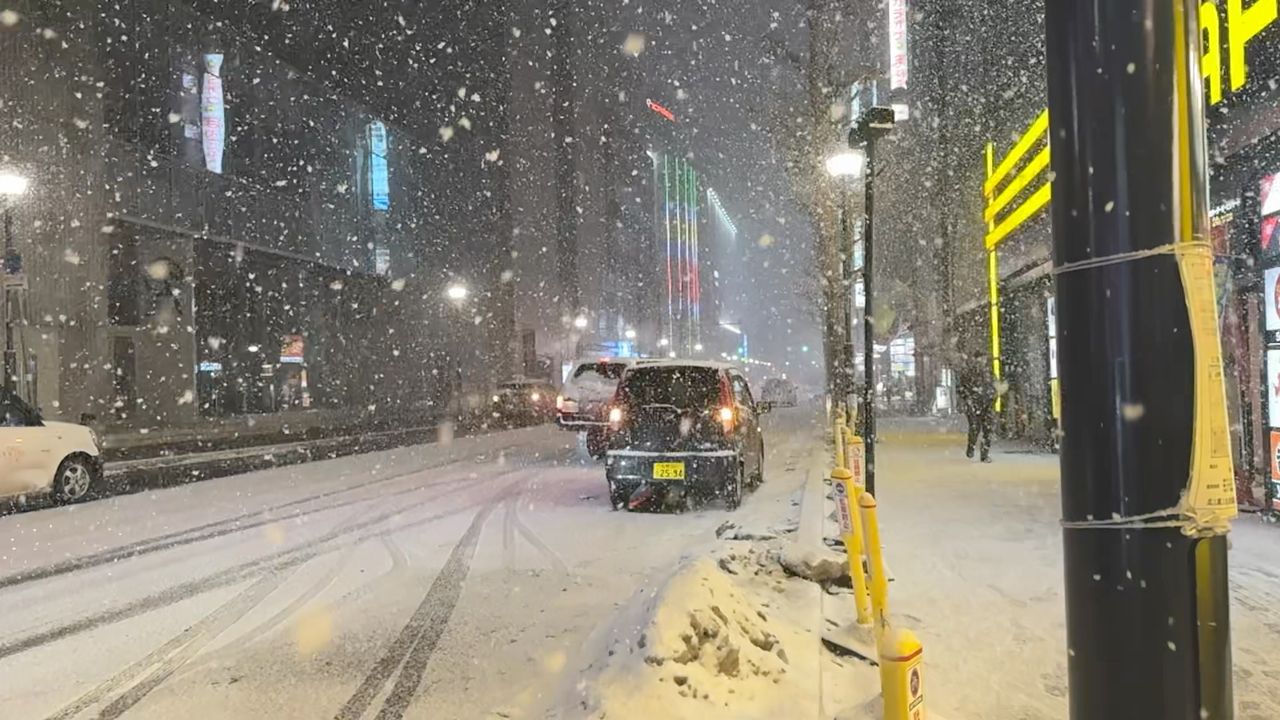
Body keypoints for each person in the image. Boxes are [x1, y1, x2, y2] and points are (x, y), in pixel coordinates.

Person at [958, 351, 996, 462]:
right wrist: (968, 398)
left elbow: (994, 386)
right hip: (974, 405)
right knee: (975, 428)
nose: (983, 361)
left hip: (987, 405)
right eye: (981, 359)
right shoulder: (969, 372)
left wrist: (993, 396)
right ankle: (972, 447)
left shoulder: (989, 372)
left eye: (984, 359)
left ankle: (984, 454)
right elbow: (961, 388)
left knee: (987, 430)